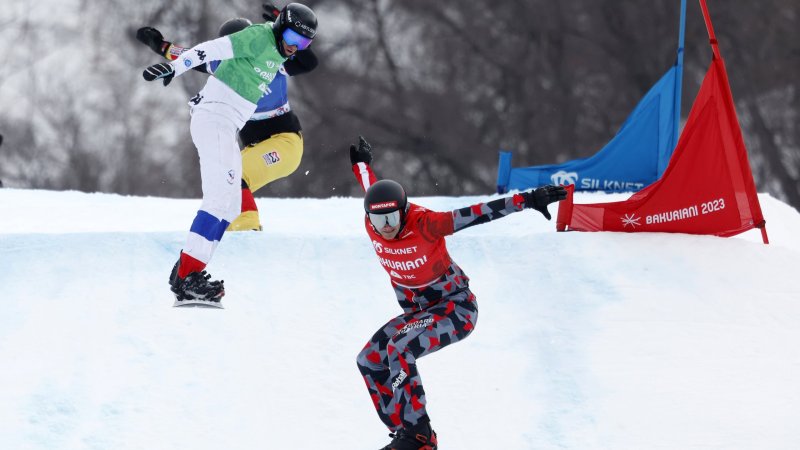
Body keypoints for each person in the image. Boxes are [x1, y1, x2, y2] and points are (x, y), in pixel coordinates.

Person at [349, 136, 567, 450]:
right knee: (369, 360)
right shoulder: (375, 219)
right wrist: (361, 164)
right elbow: (371, 186)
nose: (386, 227)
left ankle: (419, 436)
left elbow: (477, 212)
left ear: (404, 211)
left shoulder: (426, 223)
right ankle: (404, 432)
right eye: (378, 219)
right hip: (421, 314)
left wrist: (528, 200)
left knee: (398, 349)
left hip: (456, 309)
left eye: (392, 218)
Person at [141, 3, 318, 306]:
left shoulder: (280, 54)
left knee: (231, 201)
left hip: (255, 132)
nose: (294, 48)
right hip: (216, 119)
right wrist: (171, 63)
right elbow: (206, 50)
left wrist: (286, 26)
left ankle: (189, 269)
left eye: (301, 43)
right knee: (221, 197)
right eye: (292, 39)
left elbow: (307, 59)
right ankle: (187, 275)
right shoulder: (255, 39)